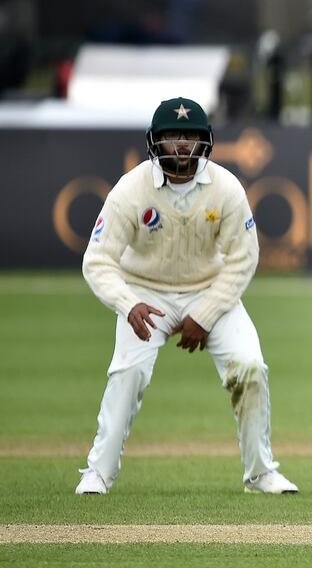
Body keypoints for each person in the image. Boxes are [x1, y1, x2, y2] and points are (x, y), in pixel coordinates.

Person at [75, 97, 298, 496]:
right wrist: (128, 304)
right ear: (154, 142)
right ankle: (98, 473)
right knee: (128, 372)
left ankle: (260, 473)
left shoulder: (226, 188)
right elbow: (97, 261)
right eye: (172, 135)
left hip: (209, 289)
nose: (181, 144)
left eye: (189, 135)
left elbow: (244, 259)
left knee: (249, 366)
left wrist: (207, 314)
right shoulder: (131, 189)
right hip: (145, 293)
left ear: (205, 141)